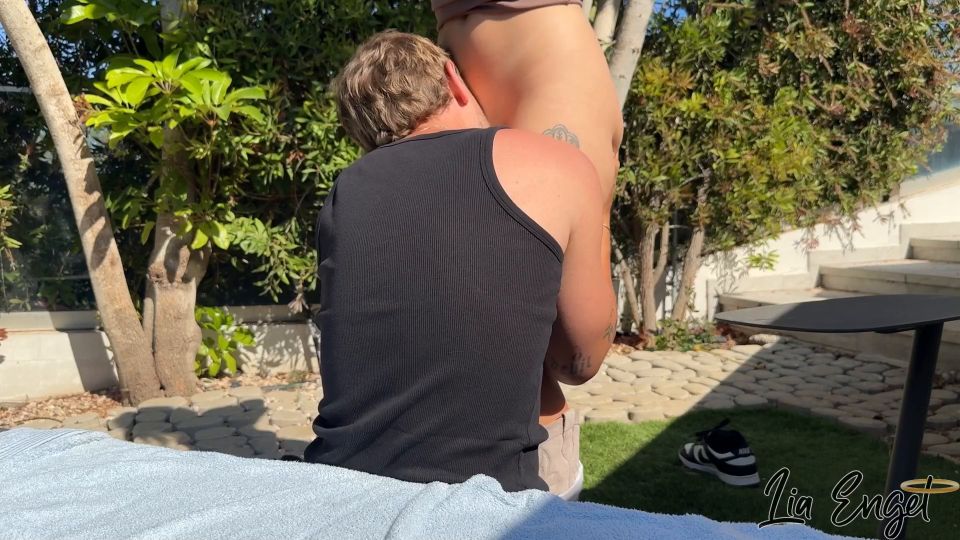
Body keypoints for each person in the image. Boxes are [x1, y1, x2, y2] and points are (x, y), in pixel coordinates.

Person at [303, 31, 616, 500]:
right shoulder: (554, 161)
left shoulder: (344, 192)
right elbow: (580, 362)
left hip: (347, 480)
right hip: (494, 493)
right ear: (453, 78)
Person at [433, 0, 623, 496]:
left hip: (543, 69)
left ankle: (538, 486)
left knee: (562, 340)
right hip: (455, 74)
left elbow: (576, 357)